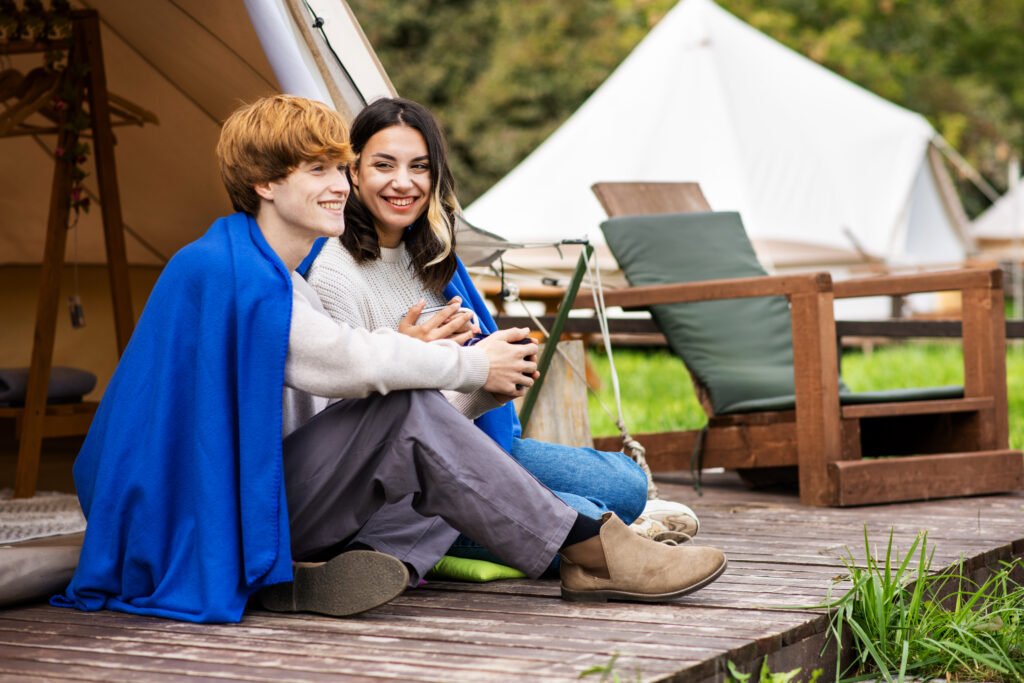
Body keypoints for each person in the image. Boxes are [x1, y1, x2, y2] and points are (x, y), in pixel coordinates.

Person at [52, 95, 726, 625]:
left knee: (426, 443)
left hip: (254, 496)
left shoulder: (265, 269)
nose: (339, 186)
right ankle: (588, 548)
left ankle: (327, 568)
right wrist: (467, 367)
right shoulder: (231, 272)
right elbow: (345, 363)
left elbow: (351, 411)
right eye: (318, 170)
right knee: (412, 416)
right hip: (210, 512)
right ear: (262, 182)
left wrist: (465, 380)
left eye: (337, 169)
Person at [304, 97, 700, 555]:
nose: (403, 182)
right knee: (573, 516)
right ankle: (612, 536)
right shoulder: (336, 275)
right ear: (353, 172)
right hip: (412, 486)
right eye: (384, 165)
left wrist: (499, 375)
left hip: (477, 444)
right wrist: (464, 376)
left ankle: (612, 522)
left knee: (627, 481)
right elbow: (366, 446)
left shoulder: (429, 258)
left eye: (420, 166)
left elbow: (458, 389)